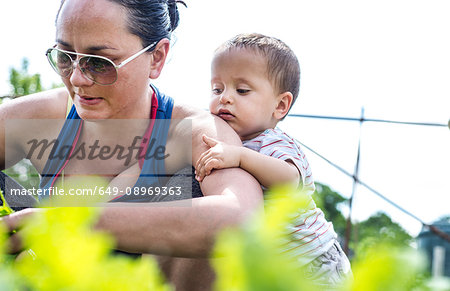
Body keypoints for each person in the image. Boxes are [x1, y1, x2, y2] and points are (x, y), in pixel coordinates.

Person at [0, 1, 263, 290]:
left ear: (157, 58)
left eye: (99, 62)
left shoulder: (193, 131)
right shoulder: (45, 117)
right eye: (65, 57)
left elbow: (242, 218)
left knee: (195, 188)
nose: (76, 78)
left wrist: (73, 221)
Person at [195, 33, 352, 286]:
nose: (225, 97)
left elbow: (290, 180)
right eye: (217, 88)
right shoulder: (228, 141)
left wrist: (241, 157)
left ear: (280, 105)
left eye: (242, 90)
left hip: (313, 262)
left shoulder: (272, 142)